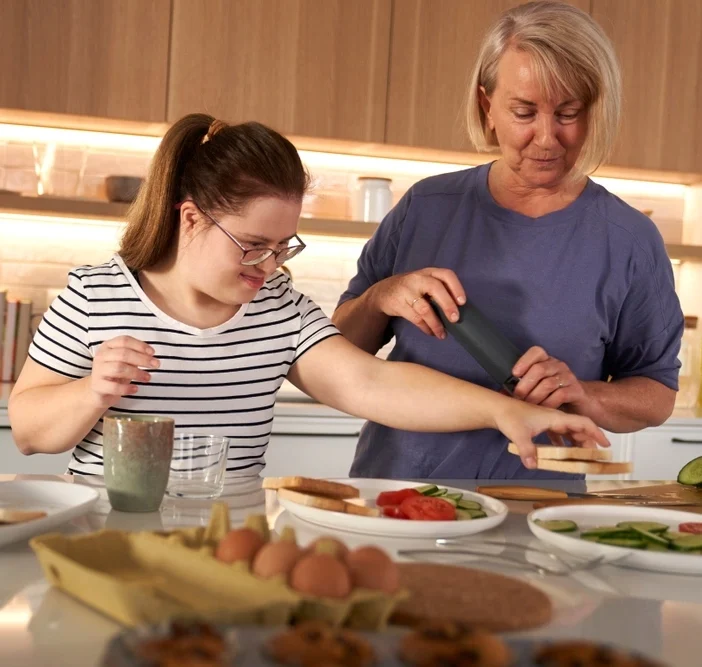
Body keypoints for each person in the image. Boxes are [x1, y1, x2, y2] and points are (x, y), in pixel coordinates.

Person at [8, 113, 607, 478]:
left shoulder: (278, 311)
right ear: (190, 219)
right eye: (251, 245)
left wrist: (510, 411)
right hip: (108, 542)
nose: (268, 267)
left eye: (282, 247)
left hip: (227, 547)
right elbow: (30, 432)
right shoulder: (97, 294)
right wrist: (93, 391)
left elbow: (370, 384)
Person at [333, 1, 683, 480]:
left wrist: (585, 393)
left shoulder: (629, 241)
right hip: (397, 495)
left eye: (568, 113)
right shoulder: (426, 207)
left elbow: (657, 395)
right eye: (524, 111)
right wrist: (378, 299)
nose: (546, 138)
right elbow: (337, 351)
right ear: (487, 105)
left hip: (540, 512)